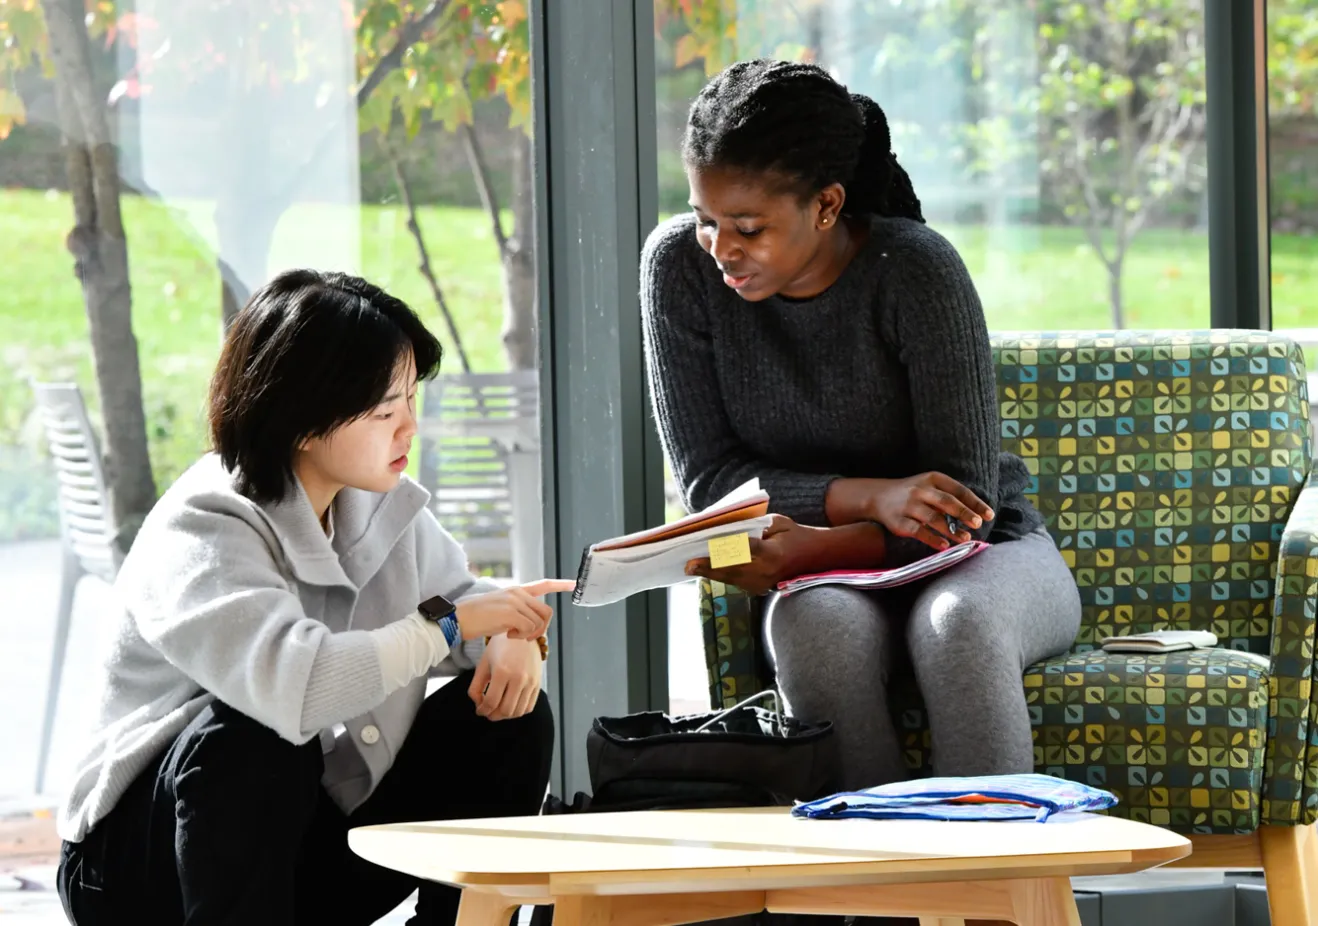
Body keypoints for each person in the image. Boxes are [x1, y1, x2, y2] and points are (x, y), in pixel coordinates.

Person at [55, 269, 573, 926]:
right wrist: (455, 623)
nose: (410, 428)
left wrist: (515, 639)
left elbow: (469, 605)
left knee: (511, 718)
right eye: (386, 410)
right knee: (262, 734)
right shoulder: (206, 524)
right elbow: (300, 690)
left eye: (412, 400)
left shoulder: (381, 506)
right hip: (140, 870)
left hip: (290, 842)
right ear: (302, 419)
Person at [641, 59, 1082, 792]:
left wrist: (823, 541)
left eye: (748, 227)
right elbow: (709, 483)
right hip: (829, 568)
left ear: (825, 206)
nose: (721, 247)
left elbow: (966, 506)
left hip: (988, 553)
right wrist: (867, 498)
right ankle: (866, 898)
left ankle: (994, 890)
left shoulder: (915, 271)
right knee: (813, 633)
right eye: (706, 219)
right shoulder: (678, 271)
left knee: (956, 628)